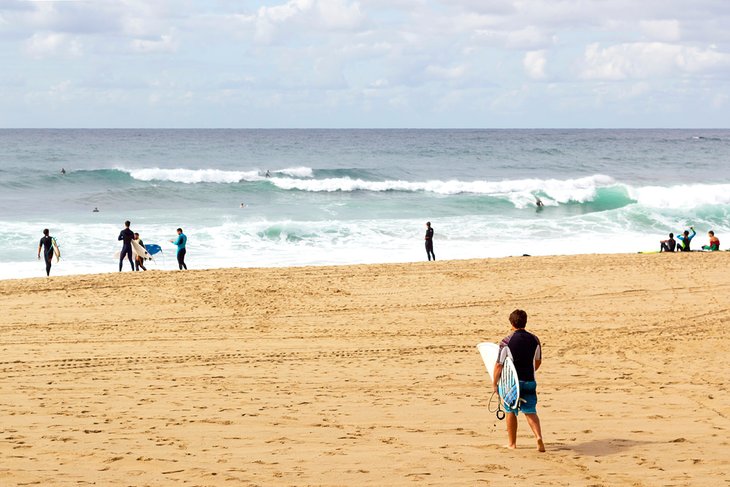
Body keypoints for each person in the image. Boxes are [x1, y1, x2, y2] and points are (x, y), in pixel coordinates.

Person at [492, 309, 545, 452]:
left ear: (511, 323)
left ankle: (512, 443)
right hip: (529, 380)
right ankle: (538, 437)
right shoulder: (535, 340)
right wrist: (529, 371)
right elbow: (538, 361)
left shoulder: (506, 341)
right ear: (525, 322)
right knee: (530, 410)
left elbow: (499, 365)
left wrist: (495, 383)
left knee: (510, 410)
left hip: (511, 383)